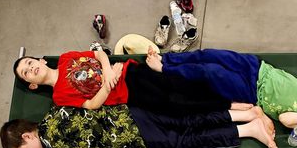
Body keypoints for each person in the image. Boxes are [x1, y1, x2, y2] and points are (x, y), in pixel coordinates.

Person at [145, 47, 297, 146]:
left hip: (251, 92)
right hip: (258, 68)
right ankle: (168, 59)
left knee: (209, 72)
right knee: (209, 55)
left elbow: (286, 119)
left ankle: (164, 70)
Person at [0, 104, 278, 148]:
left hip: (134, 138)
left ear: (27, 136)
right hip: (132, 113)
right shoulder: (54, 113)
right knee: (187, 119)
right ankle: (246, 113)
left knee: (184, 144)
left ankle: (249, 130)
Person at [13, 50, 250, 116]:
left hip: (129, 73)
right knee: (175, 105)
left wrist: (108, 70)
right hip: (127, 95)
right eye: (26, 73)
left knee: (177, 83)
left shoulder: (66, 59)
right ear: (32, 85)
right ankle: (226, 105)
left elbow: (98, 54)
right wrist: (107, 84)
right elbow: (91, 105)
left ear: (41, 60)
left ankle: (230, 92)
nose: (31, 68)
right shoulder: (59, 97)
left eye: (30, 62)